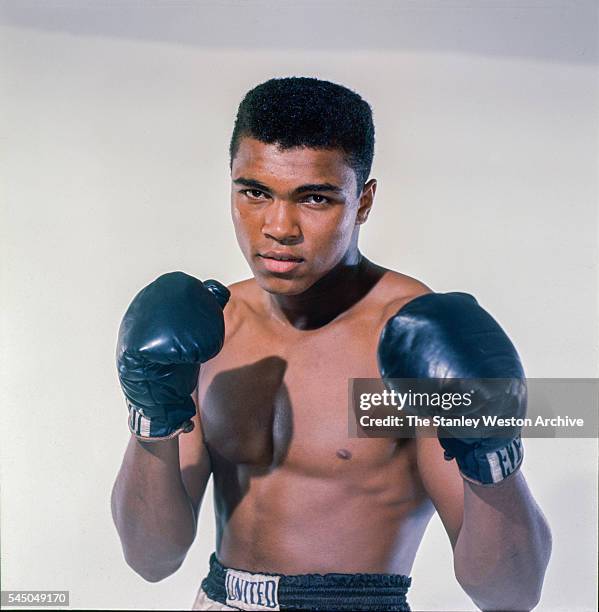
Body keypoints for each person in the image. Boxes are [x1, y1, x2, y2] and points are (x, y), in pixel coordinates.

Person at [111, 77, 551, 611]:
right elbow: (150, 559)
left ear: (363, 201)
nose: (278, 227)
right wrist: (151, 415)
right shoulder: (210, 327)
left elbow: (511, 595)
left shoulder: (409, 341)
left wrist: (492, 450)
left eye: (314, 198)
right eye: (254, 192)